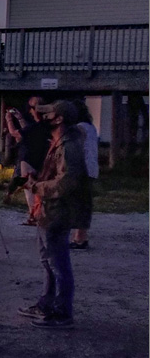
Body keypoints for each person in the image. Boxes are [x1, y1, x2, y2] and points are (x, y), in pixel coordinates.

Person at [21, 100, 87, 329]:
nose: (43, 116)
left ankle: (62, 313)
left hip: (59, 212)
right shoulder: (59, 142)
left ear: (59, 119)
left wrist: (38, 187)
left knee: (58, 263)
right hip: (48, 211)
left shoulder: (69, 146)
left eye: (48, 113)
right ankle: (46, 305)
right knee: (47, 260)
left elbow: (67, 182)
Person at [4, 96, 50, 225]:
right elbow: (27, 131)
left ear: (33, 110)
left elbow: (15, 133)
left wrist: (9, 120)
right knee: (37, 188)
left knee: (29, 189)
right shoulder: (43, 126)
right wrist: (19, 118)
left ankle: (33, 216)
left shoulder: (36, 126)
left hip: (28, 158)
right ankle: (37, 214)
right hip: (40, 158)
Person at [70, 99, 99, 250]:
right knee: (83, 202)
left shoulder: (79, 129)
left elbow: (76, 147)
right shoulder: (90, 127)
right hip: (92, 168)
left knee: (80, 204)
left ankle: (80, 238)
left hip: (83, 169)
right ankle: (80, 236)